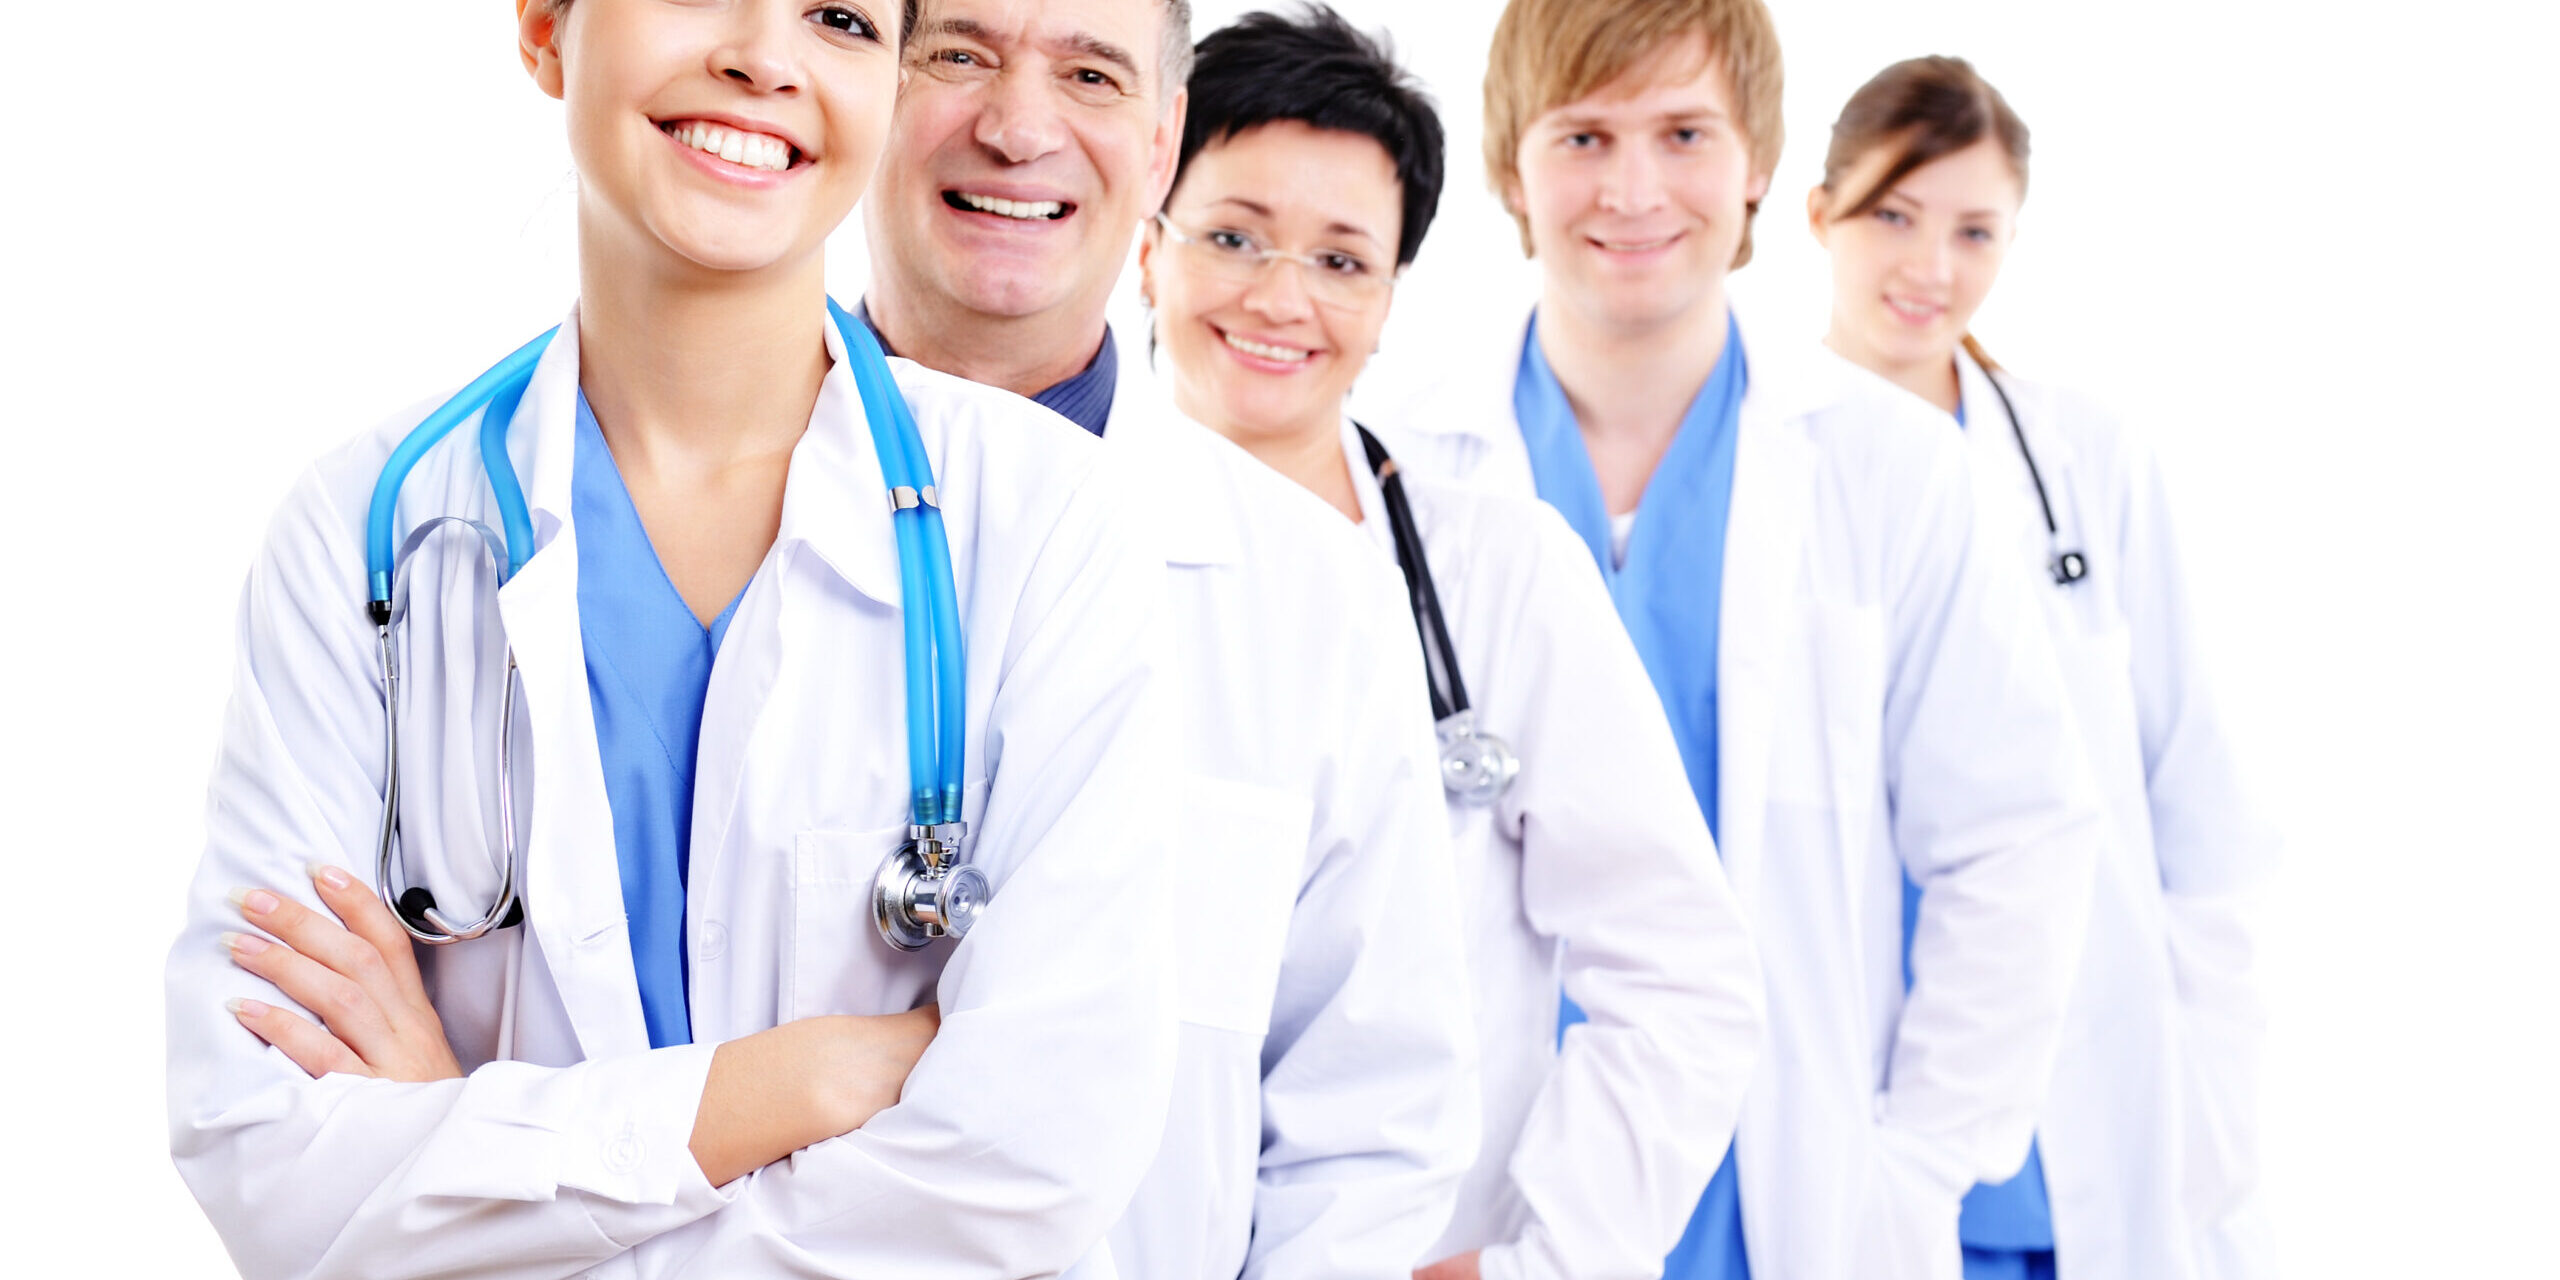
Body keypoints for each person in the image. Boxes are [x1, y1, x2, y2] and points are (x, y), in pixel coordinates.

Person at [164, 1, 1184, 1275]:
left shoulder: (1044, 524)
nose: (765, 55)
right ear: (545, 27)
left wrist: (460, 1139)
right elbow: (268, 1150)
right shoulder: (367, 530)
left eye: (842, 18)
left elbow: (1029, 1159)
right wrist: (795, 1080)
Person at [1352, 0, 2108, 1276]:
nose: (1633, 188)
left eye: (1685, 133)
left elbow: (2013, 841)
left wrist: (1915, 1165)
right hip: (1480, 1208)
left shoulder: (1892, 470)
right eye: (1582, 136)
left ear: (1759, 164)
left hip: (1793, 1198)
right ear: (1509, 170)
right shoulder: (1394, 465)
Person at [1132, 10, 1766, 1280]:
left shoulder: (1497, 572)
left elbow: (1682, 977)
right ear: (1146, 246)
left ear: (1389, 298)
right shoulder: (1037, 541)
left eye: (1340, 259)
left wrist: (1546, 1259)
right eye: (1233, 235)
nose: (1279, 296)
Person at [860, 0, 1481, 1276]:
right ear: (864, 76)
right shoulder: (679, 514)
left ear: (1159, 140)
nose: (1019, 125)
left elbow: (1371, 1118)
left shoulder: (1308, 587)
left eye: (1090, 74)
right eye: (959, 52)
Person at [1806, 55, 2277, 1280]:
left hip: (2078, 1088)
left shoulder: (2085, 459)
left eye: (1975, 229)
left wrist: (2215, 1088)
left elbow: (2198, 801)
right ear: (1817, 216)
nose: (1931, 267)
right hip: (1851, 1079)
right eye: (1892, 215)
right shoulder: (1767, 470)